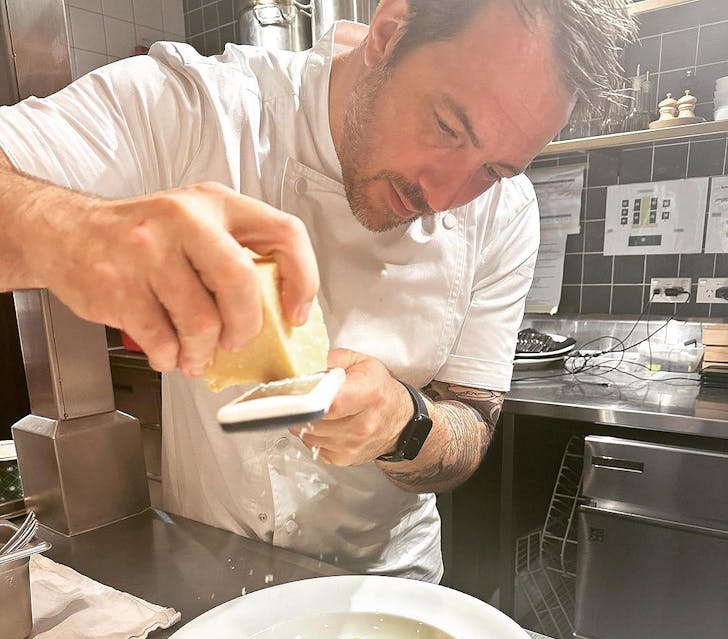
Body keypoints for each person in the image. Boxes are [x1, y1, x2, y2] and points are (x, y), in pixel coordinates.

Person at [0, 0, 634, 580]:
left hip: (385, 587)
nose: (443, 195)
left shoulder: (506, 213)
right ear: (390, 32)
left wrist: (402, 423)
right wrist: (77, 233)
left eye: (493, 169)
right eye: (446, 126)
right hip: (211, 571)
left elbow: (471, 424)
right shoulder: (201, 108)